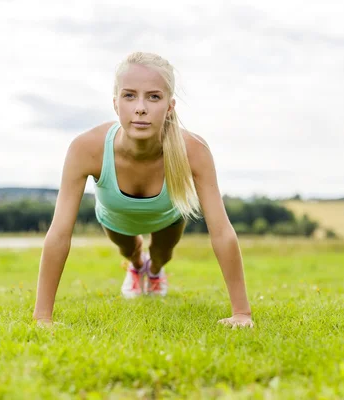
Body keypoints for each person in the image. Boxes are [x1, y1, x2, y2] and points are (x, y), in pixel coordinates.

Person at [32, 52, 253, 328]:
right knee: (130, 251)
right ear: (115, 104)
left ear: (170, 106)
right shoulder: (86, 148)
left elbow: (221, 231)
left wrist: (242, 313)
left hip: (167, 218)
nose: (140, 108)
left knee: (162, 255)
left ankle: (155, 271)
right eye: (129, 96)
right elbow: (59, 232)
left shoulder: (194, 150)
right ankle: (137, 266)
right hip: (116, 219)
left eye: (153, 97)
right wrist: (42, 318)